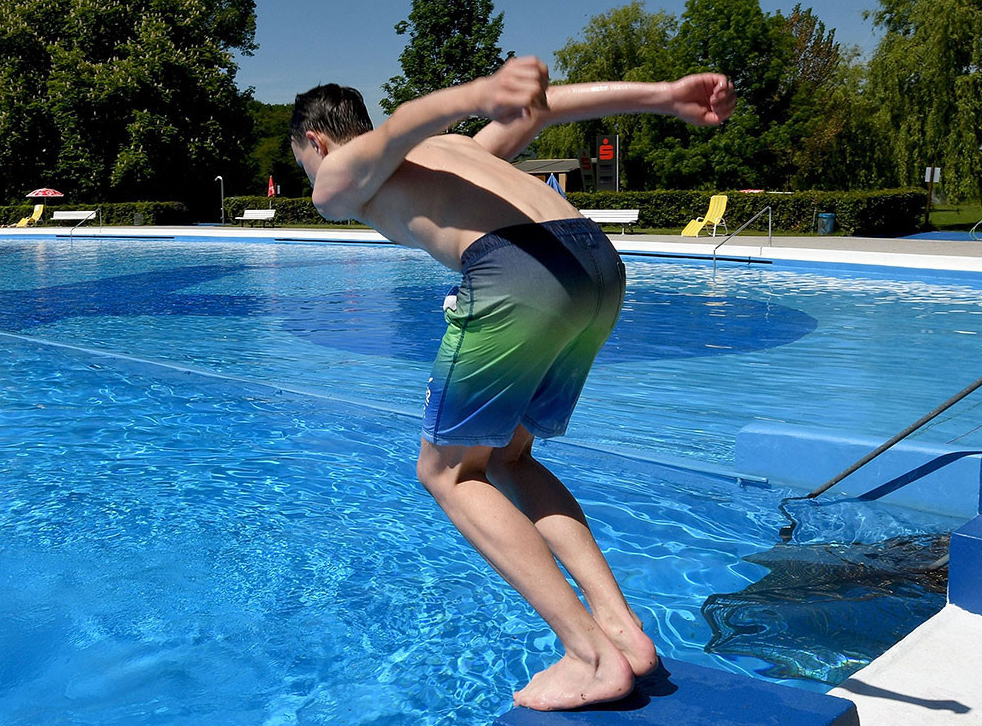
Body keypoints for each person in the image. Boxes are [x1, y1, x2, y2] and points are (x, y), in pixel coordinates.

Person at [290, 57, 735, 711]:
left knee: (446, 473)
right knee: (508, 457)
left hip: (521, 271)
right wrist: (663, 95)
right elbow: (541, 108)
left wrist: (475, 90)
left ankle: (589, 654)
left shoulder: (338, 174)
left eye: (304, 157)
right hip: (593, 263)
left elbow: (393, 133)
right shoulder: (454, 152)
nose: (312, 174)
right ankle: (621, 626)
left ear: (318, 142)